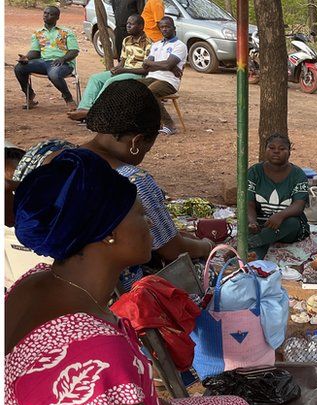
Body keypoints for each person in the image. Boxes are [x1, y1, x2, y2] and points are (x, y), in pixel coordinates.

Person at [5, 149, 317, 405]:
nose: (149, 220)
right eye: (138, 213)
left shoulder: (36, 285)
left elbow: (118, 402)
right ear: (107, 233)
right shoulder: (89, 343)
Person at [11, 81, 214, 283]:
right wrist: (207, 245)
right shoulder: (131, 180)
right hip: (111, 290)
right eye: (146, 149)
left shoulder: (46, 152)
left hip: (36, 269)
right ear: (136, 142)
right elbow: (172, 249)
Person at [68, 14, 152, 121]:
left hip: (137, 74)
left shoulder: (148, 44)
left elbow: (146, 70)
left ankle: (95, 112)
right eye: (127, 24)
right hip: (124, 71)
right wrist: (117, 68)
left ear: (141, 26)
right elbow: (123, 61)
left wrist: (123, 70)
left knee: (111, 82)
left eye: (132, 24)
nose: (128, 26)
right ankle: (84, 109)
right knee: (95, 78)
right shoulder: (127, 40)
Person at [246, 134, 311, 260]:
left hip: (287, 227)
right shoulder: (254, 172)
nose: (276, 151)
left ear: (289, 152)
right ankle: (252, 259)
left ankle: (247, 245)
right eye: (271, 148)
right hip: (260, 223)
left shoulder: (298, 174)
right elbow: (248, 203)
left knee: (291, 223)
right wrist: (252, 221)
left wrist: (280, 216)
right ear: (265, 150)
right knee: (250, 225)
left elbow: (299, 205)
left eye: (282, 149)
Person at [14, 6, 80, 109]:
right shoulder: (38, 33)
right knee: (19, 68)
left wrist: (62, 59)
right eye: (45, 13)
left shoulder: (66, 32)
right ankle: (30, 96)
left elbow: (74, 51)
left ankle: (68, 99)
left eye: (50, 14)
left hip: (63, 64)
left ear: (57, 17)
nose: (46, 15)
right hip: (44, 63)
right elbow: (35, 52)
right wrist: (26, 57)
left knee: (53, 73)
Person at [137, 16, 186, 135]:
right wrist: (167, 65)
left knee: (150, 92)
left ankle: (169, 125)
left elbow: (166, 65)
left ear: (174, 28)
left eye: (167, 27)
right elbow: (146, 66)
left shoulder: (180, 46)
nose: (164, 29)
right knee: (132, 87)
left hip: (169, 81)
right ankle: (143, 122)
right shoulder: (156, 45)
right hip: (152, 76)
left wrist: (166, 65)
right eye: (162, 27)